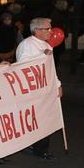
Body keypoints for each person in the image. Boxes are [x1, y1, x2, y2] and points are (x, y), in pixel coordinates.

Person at [15, 17, 64, 160]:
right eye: (47, 29)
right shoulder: (27, 44)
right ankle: (34, 146)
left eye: (50, 28)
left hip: (45, 89)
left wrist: (58, 84)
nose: (51, 31)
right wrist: (42, 56)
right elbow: (22, 66)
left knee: (45, 118)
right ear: (37, 30)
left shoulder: (47, 45)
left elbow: (50, 69)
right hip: (32, 90)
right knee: (34, 119)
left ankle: (41, 148)